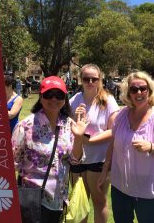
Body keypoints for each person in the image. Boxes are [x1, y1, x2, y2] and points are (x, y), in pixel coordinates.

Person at [98, 71, 154, 223]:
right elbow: (113, 144)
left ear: (150, 90)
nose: (139, 92)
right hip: (120, 187)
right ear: (128, 93)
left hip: (149, 190)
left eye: (143, 88)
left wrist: (151, 147)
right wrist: (105, 170)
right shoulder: (122, 115)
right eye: (133, 89)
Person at [12, 76, 89, 223]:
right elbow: (11, 163)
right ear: (41, 98)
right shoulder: (26, 126)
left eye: (59, 95)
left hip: (59, 199)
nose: (54, 99)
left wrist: (79, 137)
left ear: (65, 98)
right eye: (49, 94)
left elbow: (75, 160)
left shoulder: (69, 124)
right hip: (33, 200)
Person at [69, 64, 119, 223]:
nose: (90, 82)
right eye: (86, 79)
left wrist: (88, 139)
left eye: (94, 79)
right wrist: (73, 119)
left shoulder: (108, 100)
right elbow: (67, 123)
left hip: (99, 159)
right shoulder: (75, 99)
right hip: (77, 159)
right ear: (80, 80)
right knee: (79, 203)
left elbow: (113, 130)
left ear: (100, 80)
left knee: (99, 202)